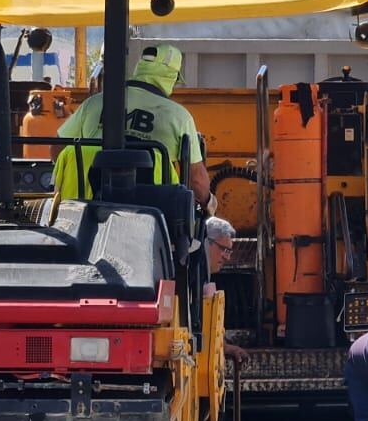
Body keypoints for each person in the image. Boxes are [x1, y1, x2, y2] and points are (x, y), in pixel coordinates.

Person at [52, 45, 211, 206]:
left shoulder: (93, 104)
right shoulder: (179, 116)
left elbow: (56, 150)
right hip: (152, 214)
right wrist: (209, 203)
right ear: (171, 78)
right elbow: (196, 180)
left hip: (83, 210)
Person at [202, 216, 246, 364]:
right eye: (224, 250)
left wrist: (225, 347)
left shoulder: (202, 278)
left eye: (229, 251)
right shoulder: (186, 277)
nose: (227, 257)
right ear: (207, 242)